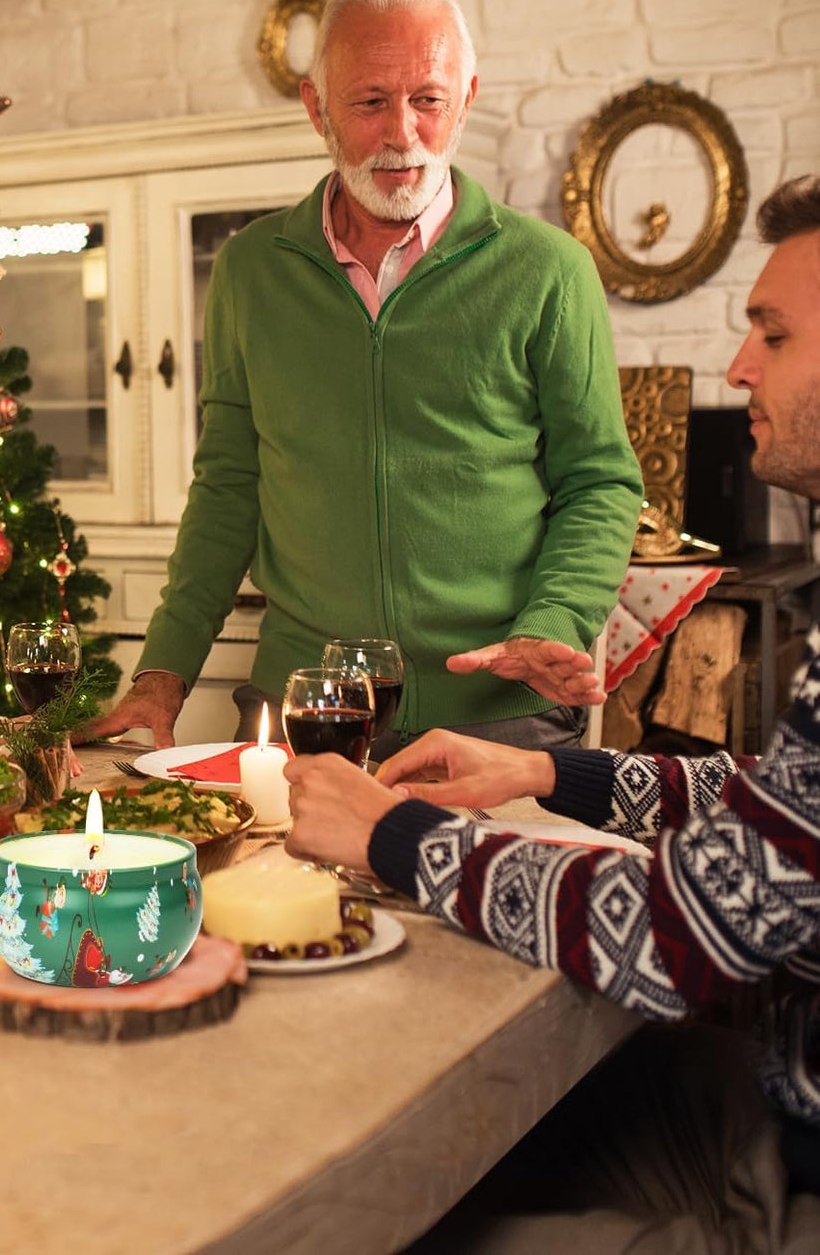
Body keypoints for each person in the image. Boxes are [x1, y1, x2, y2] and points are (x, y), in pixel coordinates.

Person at [285, 174, 820, 1246]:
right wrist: (548, 773)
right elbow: (783, 817)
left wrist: (392, 835)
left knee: (379, 1208)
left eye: (771, 332)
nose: (736, 366)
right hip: (769, 1096)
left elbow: (677, 936)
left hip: (797, 1171)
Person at [87, 0, 642, 756]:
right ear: (317, 108)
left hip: (497, 708)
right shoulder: (249, 269)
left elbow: (599, 479)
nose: (402, 134)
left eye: (427, 99)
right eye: (370, 101)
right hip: (307, 705)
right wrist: (163, 672)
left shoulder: (549, 270)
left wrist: (552, 621)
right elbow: (228, 487)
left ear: (466, 97)